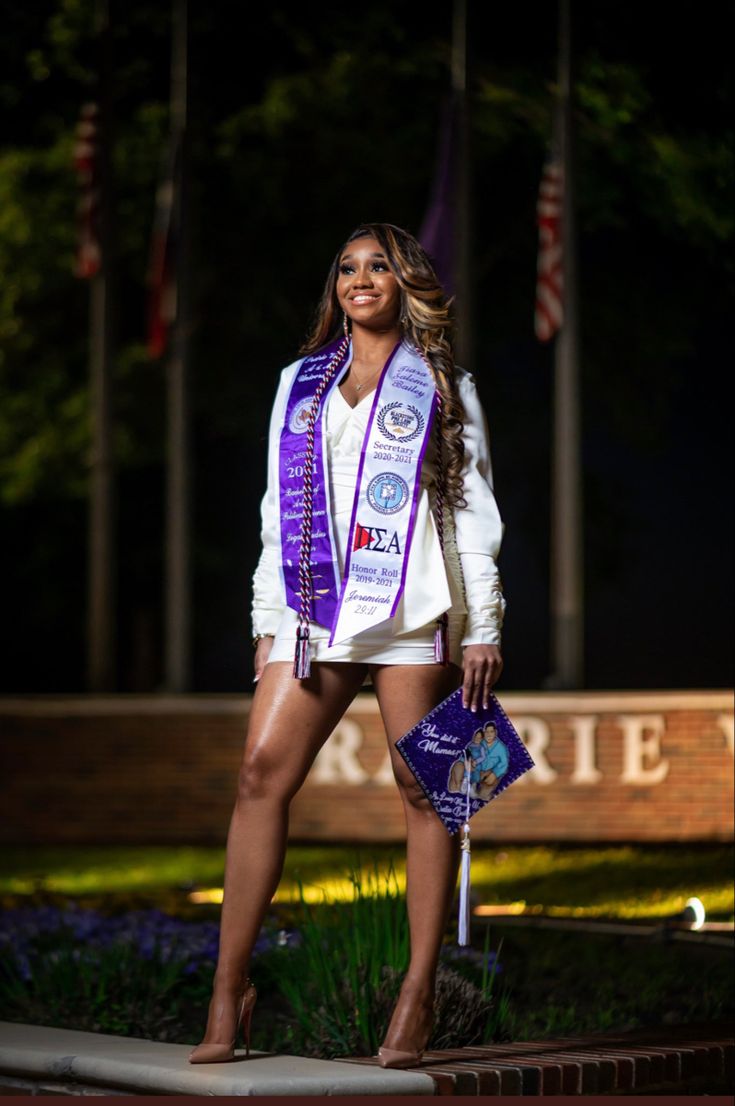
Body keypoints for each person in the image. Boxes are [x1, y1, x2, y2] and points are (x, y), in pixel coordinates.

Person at [188, 222, 506, 1069]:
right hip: (316, 616)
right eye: (346, 268)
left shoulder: (442, 383)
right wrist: (268, 622)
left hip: (415, 612)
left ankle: (416, 993)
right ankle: (229, 990)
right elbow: (273, 512)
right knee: (260, 774)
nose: (359, 279)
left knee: (425, 785)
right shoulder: (299, 385)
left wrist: (483, 624)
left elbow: (467, 512)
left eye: (377, 267)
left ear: (405, 284)